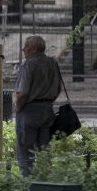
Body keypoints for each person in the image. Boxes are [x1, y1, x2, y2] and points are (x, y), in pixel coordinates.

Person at [14, 35, 61, 177]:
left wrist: (18, 108)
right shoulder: (52, 64)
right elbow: (57, 89)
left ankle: (29, 186)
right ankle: (45, 183)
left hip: (29, 111)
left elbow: (22, 93)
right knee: (44, 152)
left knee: (25, 152)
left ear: (33, 49)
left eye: (26, 46)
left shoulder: (29, 64)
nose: (23, 49)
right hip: (47, 111)